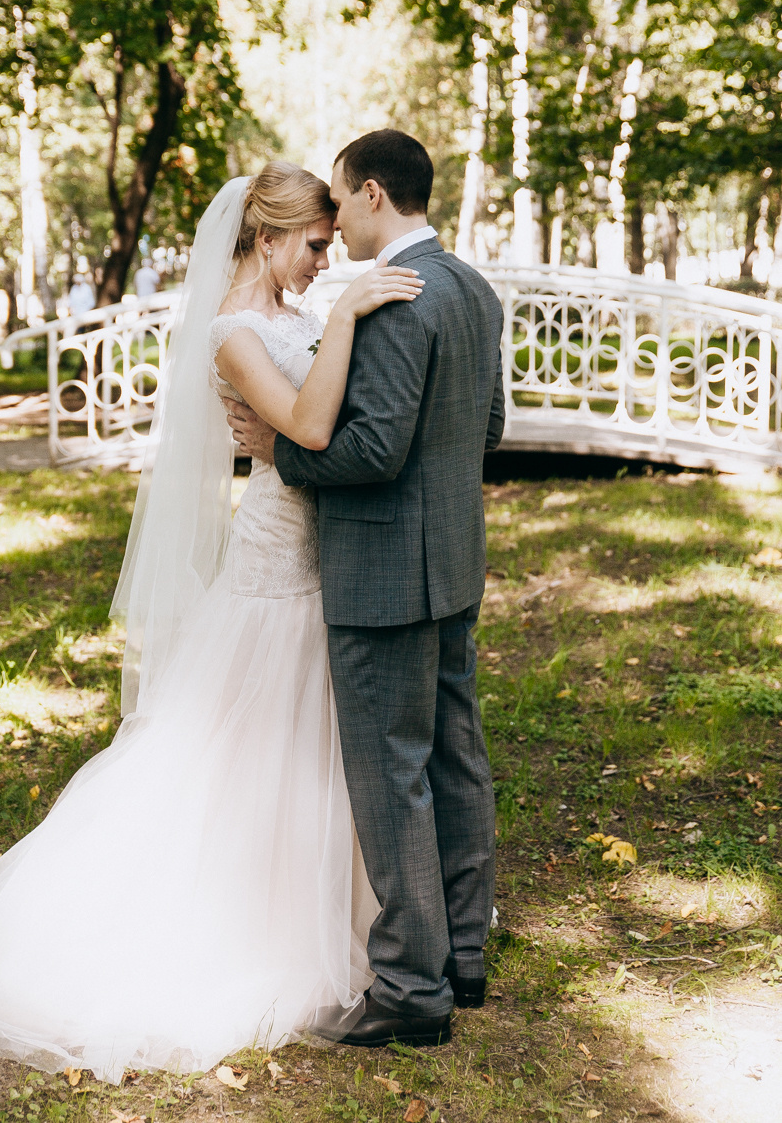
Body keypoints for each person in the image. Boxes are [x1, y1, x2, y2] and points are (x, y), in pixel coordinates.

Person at [0, 161, 423, 1080]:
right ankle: (243, 924)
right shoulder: (235, 332)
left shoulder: (295, 318)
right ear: (268, 237)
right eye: (314, 247)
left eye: (330, 248)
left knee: (320, 742)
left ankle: (356, 909)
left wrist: (337, 341)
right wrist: (353, 319)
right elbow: (311, 432)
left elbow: (329, 418)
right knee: (243, 745)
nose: (325, 262)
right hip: (277, 560)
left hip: (332, 556)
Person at [226, 129, 506, 1048]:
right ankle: (464, 955)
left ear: (375, 194)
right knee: (455, 758)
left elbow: (372, 450)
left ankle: (410, 990)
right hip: (452, 565)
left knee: (392, 777)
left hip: (383, 576)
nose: (334, 220)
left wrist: (284, 462)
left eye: (341, 200)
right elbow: (487, 426)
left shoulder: (388, 301)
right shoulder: (472, 289)